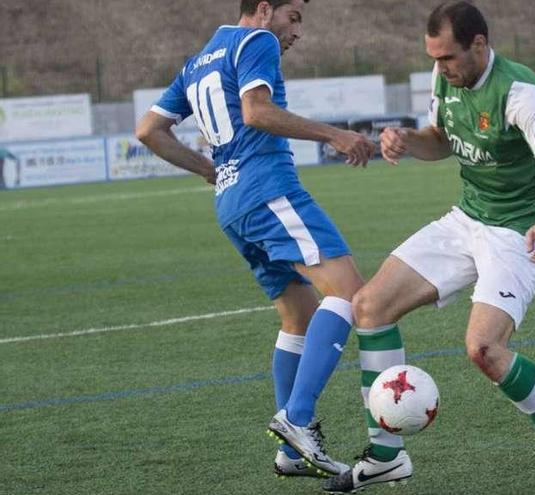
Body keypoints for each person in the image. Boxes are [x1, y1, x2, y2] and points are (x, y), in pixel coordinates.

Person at [321, 3, 535, 495]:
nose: (441, 67)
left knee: (484, 349)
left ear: (479, 44)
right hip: (466, 218)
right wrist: (407, 141)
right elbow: (441, 140)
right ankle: (386, 457)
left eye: (448, 57)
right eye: (434, 57)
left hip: (518, 234)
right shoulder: (445, 81)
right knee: (368, 306)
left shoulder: (520, 94)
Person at [135, 0, 375, 480]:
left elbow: (148, 130)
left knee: (299, 315)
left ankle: (290, 453)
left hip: (231, 203)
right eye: (294, 16)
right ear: (264, 9)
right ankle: (297, 417)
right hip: (268, 191)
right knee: (351, 294)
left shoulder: (200, 58)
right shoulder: (257, 40)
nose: (297, 31)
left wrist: (209, 169)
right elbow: (257, 111)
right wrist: (334, 135)